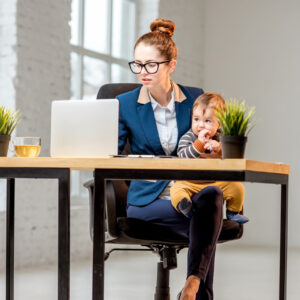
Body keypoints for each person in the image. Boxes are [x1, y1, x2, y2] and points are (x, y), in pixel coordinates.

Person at [116, 18, 223, 300]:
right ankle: (197, 290)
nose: (142, 72)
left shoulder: (195, 99)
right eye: (137, 64)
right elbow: (110, 156)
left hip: (190, 191)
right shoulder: (125, 104)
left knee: (212, 196)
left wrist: (213, 146)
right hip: (148, 200)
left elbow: (211, 137)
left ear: (171, 65)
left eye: (151, 64)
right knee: (206, 224)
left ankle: (190, 285)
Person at [170, 93, 249, 224]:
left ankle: (233, 212)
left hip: (215, 182)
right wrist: (198, 145)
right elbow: (182, 155)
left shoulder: (220, 139)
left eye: (207, 121)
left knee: (237, 187)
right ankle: (185, 207)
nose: (200, 125)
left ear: (219, 124)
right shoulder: (188, 137)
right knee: (176, 190)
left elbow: (231, 158)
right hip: (190, 182)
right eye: (196, 119)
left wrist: (219, 148)